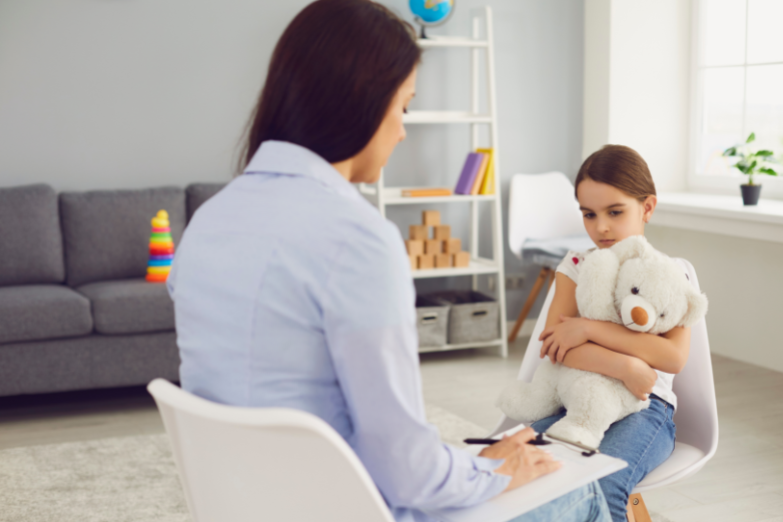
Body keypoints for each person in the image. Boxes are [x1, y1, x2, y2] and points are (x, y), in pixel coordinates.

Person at [167, 1, 610, 520]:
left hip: (249, 502)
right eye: (403, 106)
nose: (403, 130)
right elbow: (405, 473)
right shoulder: (357, 241)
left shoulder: (208, 223)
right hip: (343, 507)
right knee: (577, 488)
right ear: (363, 102)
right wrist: (489, 471)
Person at [531, 144, 686, 522]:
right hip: (574, 402)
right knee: (526, 474)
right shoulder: (575, 266)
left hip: (646, 408)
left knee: (603, 485)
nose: (600, 226)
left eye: (615, 212)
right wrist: (625, 366)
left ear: (647, 207)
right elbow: (555, 345)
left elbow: (672, 358)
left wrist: (587, 329)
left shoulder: (668, 272)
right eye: (589, 214)